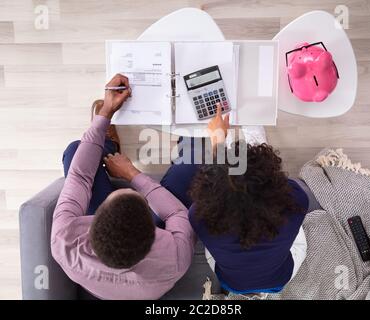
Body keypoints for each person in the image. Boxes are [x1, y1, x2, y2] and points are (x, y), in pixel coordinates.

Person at [51, 74, 196, 300]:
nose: (122, 189)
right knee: (194, 162)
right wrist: (132, 175)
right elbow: (177, 212)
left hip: (108, 250)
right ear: (154, 232)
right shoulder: (175, 257)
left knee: (74, 150)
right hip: (151, 263)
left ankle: (109, 145)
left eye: (115, 196)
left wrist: (106, 112)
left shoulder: (65, 240)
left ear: (95, 220)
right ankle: (191, 134)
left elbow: (79, 178)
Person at [160, 106, 312, 295]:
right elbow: (277, 180)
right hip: (278, 277)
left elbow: (221, 183)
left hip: (233, 282)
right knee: (255, 175)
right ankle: (252, 133)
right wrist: (219, 146)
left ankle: (248, 133)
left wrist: (219, 145)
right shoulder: (297, 199)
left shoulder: (198, 216)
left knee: (242, 175)